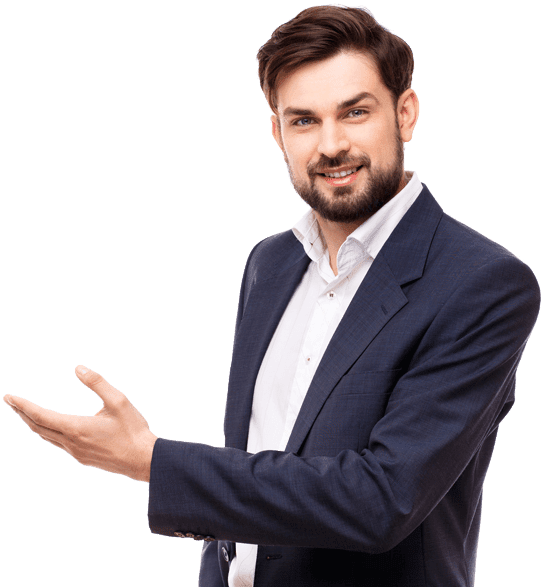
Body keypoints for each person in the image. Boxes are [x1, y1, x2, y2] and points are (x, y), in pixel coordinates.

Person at [4, 4, 540, 586]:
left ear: (405, 113)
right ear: (278, 132)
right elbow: (258, 457)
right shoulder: (271, 263)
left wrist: (155, 462)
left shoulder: (483, 284)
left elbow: (381, 499)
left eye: (355, 112)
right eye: (304, 120)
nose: (331, 145)